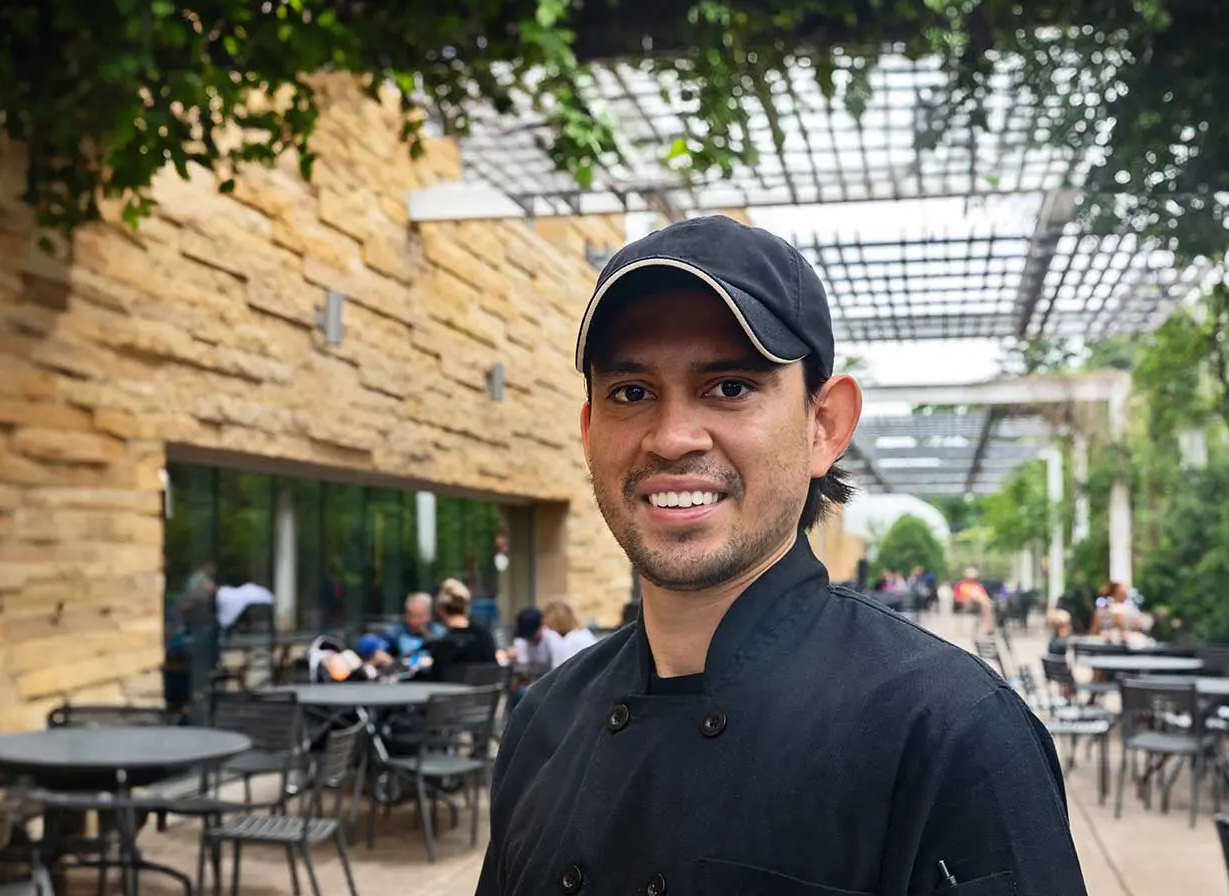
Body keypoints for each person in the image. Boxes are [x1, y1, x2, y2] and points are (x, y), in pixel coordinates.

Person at [478, 216, 1082, 896]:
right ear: (590, 433)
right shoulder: (543, 720)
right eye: (632, 393)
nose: (672, 437)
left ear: (825, 426)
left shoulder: (949, 730)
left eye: (730, 386)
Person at [417, 579, 498, 681]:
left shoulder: (443, 644)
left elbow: (435, 680)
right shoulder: (484, 637)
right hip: (483, 691)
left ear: (441, 610)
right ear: (466, 608)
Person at [374, 591, 445, 672]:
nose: (412, 620)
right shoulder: (396, 632)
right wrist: (381, 654)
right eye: (409, 615)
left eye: (417, 616)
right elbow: (379, 646)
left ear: (428, 616)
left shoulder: (439, 634)